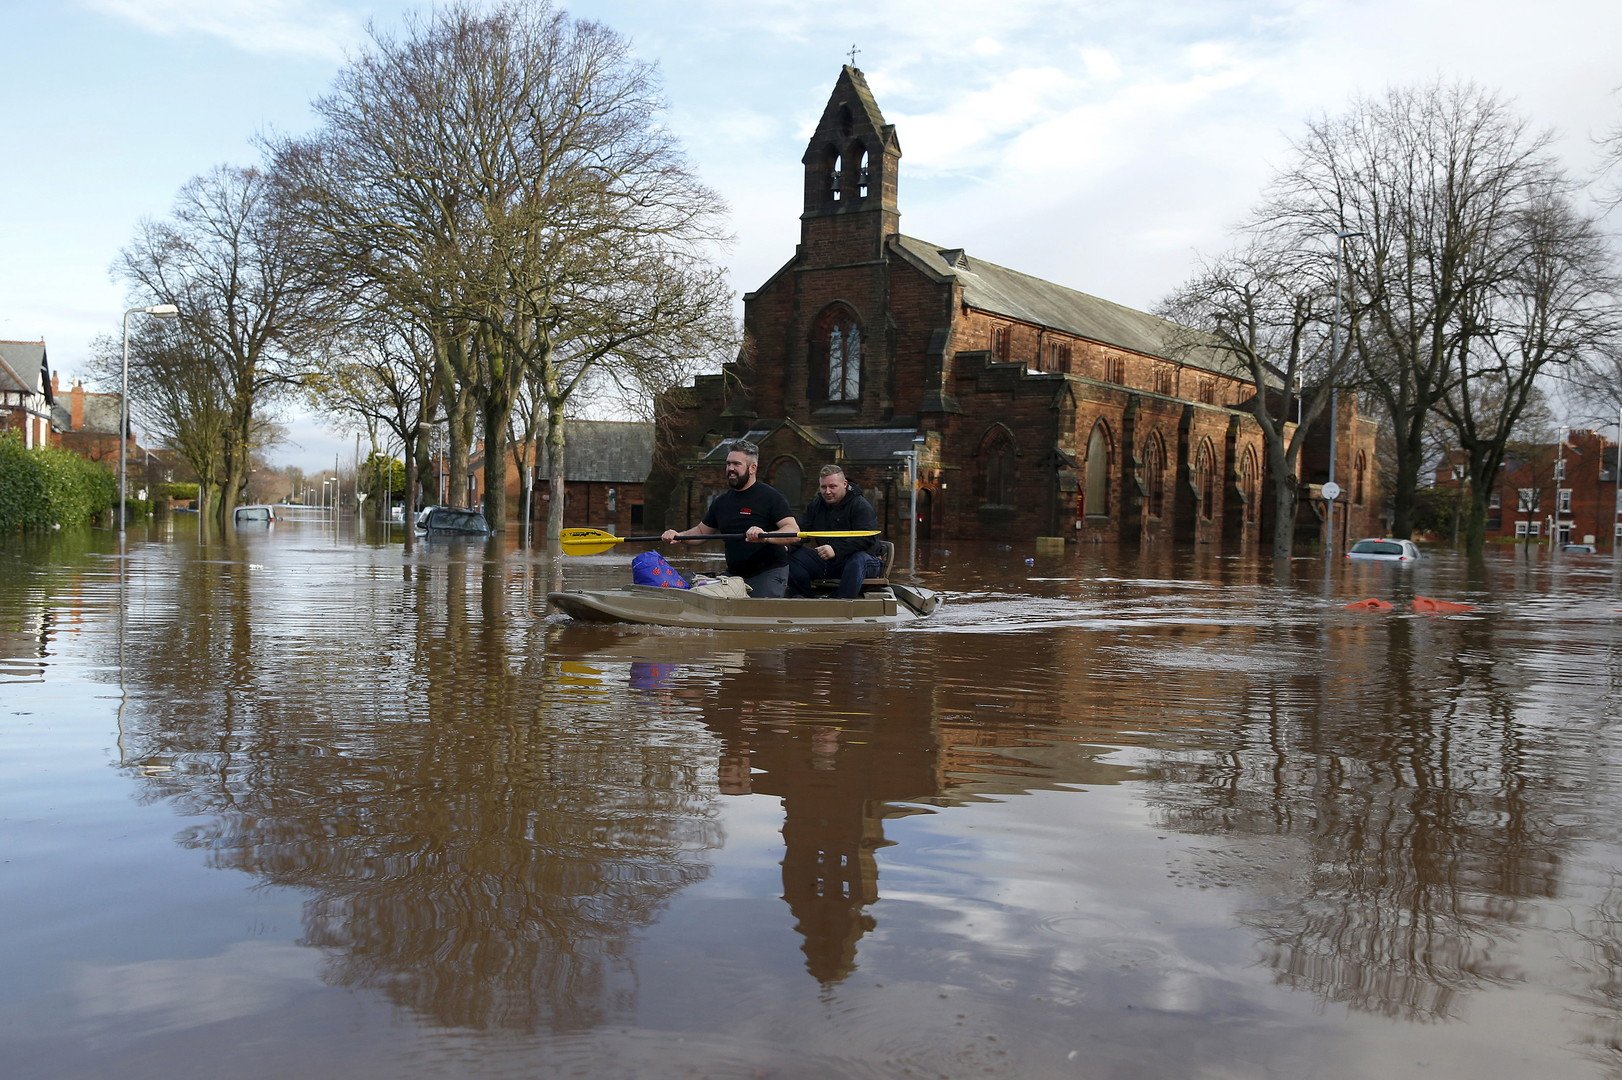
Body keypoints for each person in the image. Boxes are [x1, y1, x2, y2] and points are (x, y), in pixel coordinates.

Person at [661, 440, 799, 598]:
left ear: (752, 468)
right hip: (734, 576)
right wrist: (678, 536)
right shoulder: (721, 502)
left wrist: (765, 536)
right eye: (728, 464)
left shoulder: (771, 497)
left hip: (768, 572)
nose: (730, 469)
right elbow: (700, 532)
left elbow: (793, 531)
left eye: (736, 464)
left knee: (754, 614)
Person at [786, 465, 882, 599]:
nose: (827, 491)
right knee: (792, 555)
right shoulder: (816, 505)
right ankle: (804, 598)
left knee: (857, 560)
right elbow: (802, 532)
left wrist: (835, 549)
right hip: (828, 561)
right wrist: (786, 546)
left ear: (844, 484)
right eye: (823, 487)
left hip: (865, 560)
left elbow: (867, 538)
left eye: (832, 486)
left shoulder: (860, 505)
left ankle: (841, 602)